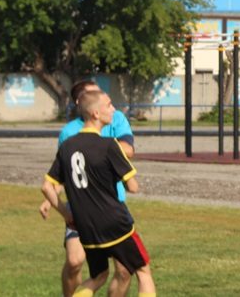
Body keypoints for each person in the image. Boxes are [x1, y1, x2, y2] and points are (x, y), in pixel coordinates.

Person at [41, 90, 155, 297]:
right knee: (143, 271)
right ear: (95, 113)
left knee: (98, 276)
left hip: (86, 227)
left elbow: (47, 187)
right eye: (109, 105)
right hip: (115, 223)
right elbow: (133, 187)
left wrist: (67, 215)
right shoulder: (109, 145)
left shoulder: (67, 147)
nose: (113, 109)